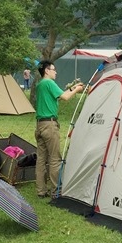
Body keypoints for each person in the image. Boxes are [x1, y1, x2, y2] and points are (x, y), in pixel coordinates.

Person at [34, 60, 83, 199]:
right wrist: (77, 89)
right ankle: (56, 192)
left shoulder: (40, 85)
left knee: (41, 159)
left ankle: (41, 191)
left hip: (39, 125)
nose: (56, 72)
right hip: (50, 126)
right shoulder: (49, 83)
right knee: (55, 159)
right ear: (47, 71)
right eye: (54, 69)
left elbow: (59, 96)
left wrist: (72, 87)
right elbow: (66, 97)